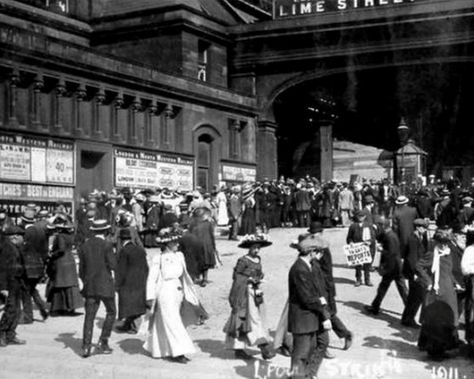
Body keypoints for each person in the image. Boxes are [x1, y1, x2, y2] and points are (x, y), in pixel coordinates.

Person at [141, 229, 207, 363]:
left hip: (178, 290)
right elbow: (152, 279)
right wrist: (150, 297)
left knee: (165, 320)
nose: (177, 244)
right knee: (172, 321)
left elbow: (185, 276)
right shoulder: (158, 258)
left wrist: (189, 291)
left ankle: (159, 349)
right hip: (165, 290)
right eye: (174, 242)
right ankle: (178, 351)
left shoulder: (180, 256)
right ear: (167, 244)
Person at [223, 234, 275, 360]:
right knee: (247, 318)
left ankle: (250, 346)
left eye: (258, 248)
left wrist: (260, 277)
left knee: (258, 316)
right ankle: (262, 347)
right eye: (254, 247)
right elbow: (237, 276)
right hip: (244, 292)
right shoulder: (243, 260)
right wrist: (248, 279)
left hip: (256, 291)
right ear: (249, 248)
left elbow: (259, 272)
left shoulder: (258, 259)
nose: (256, 250)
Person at [288, 234, 332, 379]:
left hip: (310, 317)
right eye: (319, 251)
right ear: (312, 252)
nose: (321, 255)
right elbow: (307, 298)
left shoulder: (309, 266)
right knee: (300, 354)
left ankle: (307, 375)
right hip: (302, 319)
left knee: (311, 349)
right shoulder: (299, 269)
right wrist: (322, 303)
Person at [418, 229, 460, 357]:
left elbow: (449, 271)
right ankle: (433, 349)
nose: (444, 245)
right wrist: (428, 281)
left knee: (449, 317)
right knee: (434, 319)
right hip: (435, 291)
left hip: (448, 291)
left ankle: (447, 346)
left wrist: (455, 282)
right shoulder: (432, 254)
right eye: (441, 243)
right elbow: (418, 266)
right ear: (437, 242)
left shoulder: (449, 253)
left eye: (446, 243)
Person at [78, 219, 116, 358]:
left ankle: (86, 346)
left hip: (90, 285)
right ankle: (103, 341)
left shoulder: (84, 246)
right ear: (105, 231)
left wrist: (85, 281)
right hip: (105, 284)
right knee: (111, 312)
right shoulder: (107, 245)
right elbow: (113, 265)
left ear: (93, 231)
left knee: (89, 316)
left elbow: (81, 270)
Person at [365, 217, 408, 315]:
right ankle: (375, 306)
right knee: (393, 288)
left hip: (392, 267)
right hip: (395, 267)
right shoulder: (389, 234)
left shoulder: (390, 237)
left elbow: (391, 253)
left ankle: (375, 307)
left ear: (383, 226)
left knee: (393, 289)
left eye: (379, 225)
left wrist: (381, 250)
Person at [46, 217, 82, 316]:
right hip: (70, 260)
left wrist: (52, 254)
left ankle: (57, 308)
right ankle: (70, 308)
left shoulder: (60, 236)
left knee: (59, 286)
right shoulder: (70, 236)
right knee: (69, 286)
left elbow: (61, 249)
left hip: (61, 262)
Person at [115, 228, 148, 334]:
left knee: (129, 304)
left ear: (120, 240)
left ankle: (133, 326)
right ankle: (127, 324)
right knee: (137, 302)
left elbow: (121, 269)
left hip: (128, 281)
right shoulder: (140, 249)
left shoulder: (124, 251)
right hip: (140, 279)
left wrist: (117, 284)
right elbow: (146, 267)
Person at [0, 226, 27, 346]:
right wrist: (3, 287)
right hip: (9, 283)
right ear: (14, 237)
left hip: (16, 281)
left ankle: (10, 334)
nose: (22, 238)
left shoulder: (15, 247)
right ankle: (2, 333)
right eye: (20, 236)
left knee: (16, 310)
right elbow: (3, 269)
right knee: (10, 309)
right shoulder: (7, 248)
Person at [401, 218, 429, 327]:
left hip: (417, 270)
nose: (425, 230)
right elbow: (412, 258)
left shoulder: (421, 237)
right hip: (414, 272)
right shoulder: (412, 239)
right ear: (417, 227)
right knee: (415, 297)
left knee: (415, 297)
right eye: (423, 228)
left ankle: (407, 318)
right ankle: (408, 319)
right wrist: (416, 273)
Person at [346, 210, 376, 287]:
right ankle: (358, 279)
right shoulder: (353, 226)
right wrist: (351, 242)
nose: (360, 218)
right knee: (358, 265)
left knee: (367, 265)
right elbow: (349, 237)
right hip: (357, 248)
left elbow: (373, 237)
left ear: (365, 217)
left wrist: (369, 242)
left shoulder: (368, 225)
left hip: (366, 248)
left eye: (362, 216)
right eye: (359, 216)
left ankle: (367, 279)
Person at [189, 208, 217, 287]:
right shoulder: (208, 224)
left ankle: (195, 277)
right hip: (206, 245)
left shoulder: (192, 224)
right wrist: (214, 246)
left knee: (197, 262)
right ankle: (204, 279)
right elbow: (212, 235)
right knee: (205, 263)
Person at [392, 195, 418, 260]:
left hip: (402, 236)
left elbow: (395, 227)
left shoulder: (396, 212)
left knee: (403, 255)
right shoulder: (413, 210)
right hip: (413, 234)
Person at [461, 229, 474, 354]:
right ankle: (471, 342)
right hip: (473, 280)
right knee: (472, 311)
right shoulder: (470, 250)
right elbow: (465, 268)